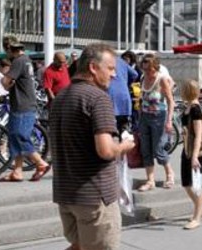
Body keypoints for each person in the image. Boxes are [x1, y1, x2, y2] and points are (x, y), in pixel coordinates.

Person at [50, 43, 135, 250]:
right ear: (93, 68)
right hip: (94, 197)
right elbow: (105, 150)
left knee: (79, 245)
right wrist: (124, 145)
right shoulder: (98, 98)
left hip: (66, 193)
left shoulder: (61, 97)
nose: (114, 75)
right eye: (110, 68)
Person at [0, 43, 51, 182]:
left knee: (19, 135)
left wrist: (4, 78)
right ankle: (17, 171)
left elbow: (5, 82)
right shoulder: (27, 61)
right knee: (14, 137)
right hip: (23, 103)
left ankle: (40, 163)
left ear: (9, 49)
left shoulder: (18, 61)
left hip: (22, 104)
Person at [137, 54, 176, 191]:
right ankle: (150, 180)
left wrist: (169, 121)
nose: (147, 72)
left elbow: (171, 102)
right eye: (145, 69)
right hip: (145, 117)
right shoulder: (143, 78)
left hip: (159, 117)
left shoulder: (161, 80)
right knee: (145, 150)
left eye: (150, 70)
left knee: (159, 149)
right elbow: (142, 99)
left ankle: (170, 174)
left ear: (156, 67)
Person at [178, 80, 202, 230]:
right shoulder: (189, 106)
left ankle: (197, 217)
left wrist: (195, 156)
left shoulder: (195, 109)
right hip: (188, 148)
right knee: (186, 182)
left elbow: (199, 135)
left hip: (198, 150)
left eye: (183, 89)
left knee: (197, 183)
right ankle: (200, 207)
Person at [108, 56, 139, 134]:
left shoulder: (102, 60)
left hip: (109, 96)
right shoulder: (121, 61)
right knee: (123, 129)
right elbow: (135, 74)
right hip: (124, 96)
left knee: (109, 129)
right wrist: (125, 83)